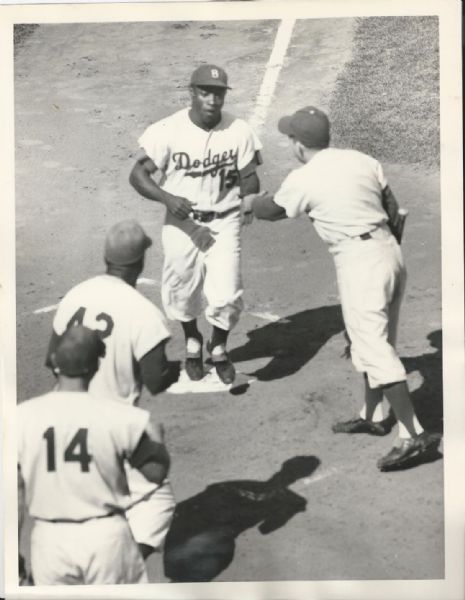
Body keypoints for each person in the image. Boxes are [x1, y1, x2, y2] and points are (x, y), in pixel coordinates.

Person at [243, 106, 441, 471]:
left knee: (374, 347)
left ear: (299, 145)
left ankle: (413, 435)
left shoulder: (304, 177)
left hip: (360, 263)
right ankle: (373, 413)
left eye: (290, 138)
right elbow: (393, 207)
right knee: (372, 341)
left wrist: (250, 202)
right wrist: (388, 256)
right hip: (389, 252)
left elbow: (273, 210)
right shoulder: (362, 160)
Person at [45, 219, 178, 559]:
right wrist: (172, 369)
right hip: (113, 431)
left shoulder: (76, 295)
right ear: (140, 262)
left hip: (63, 423)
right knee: (156, 504)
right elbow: (155, 380)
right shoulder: (144, 314)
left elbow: (51, 359)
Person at [129, 63, 262, 384]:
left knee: (227, 295)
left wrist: (248, 201)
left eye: (218, 93)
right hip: (182, 224)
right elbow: (137, 175)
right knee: (181, 291)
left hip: (224, 224)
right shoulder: (167, 131)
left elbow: (250, 177)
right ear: (192, 93)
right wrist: (166, 198)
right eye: (206, 92)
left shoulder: (239, 130)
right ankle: (192, 340)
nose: (213, 100)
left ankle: (218, 347)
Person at [18, 325, 171, 585]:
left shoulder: (20, 417)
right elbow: (155, 473)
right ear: (95, 367)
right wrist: (157, 441)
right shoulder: (120, 416)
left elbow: (14, 492)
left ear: (55, 361)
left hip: (49, 543)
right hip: (106, 540)